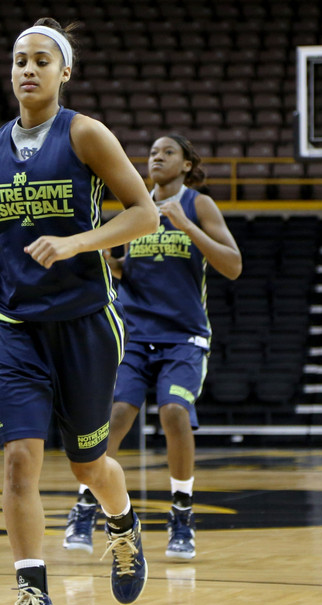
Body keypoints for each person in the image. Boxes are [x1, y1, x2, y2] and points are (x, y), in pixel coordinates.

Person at [0, 18, 159, 605]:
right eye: (20, 59)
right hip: (15, 326)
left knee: (86, 462)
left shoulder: (85, 134)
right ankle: (32, 602)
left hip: (84, 325)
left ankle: (123, 521)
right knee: (20, 461)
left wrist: (79, 241)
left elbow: (145, 213)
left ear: (64, 72)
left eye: (41, 60)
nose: (28, 69)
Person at [62, 134, 242, 561]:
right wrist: (109, 259)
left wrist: (187, 225)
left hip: (183, 335)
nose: (157, 157)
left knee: (174, 412)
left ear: (185, 165)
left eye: (168, 152)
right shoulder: (137, 205)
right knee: (117, 415)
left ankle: (182, 514)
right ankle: (87, 504)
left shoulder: (198, 205)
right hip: (136, 332)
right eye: (153, 152)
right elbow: (127, 272)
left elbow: (232, 265)